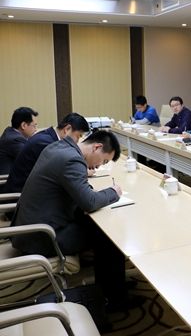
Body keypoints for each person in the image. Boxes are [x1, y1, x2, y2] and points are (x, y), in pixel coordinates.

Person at [11, 130, 129, 309]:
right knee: (107, 235)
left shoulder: (58, 147)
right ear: (97, 147)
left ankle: (112, 286)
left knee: (95, 226)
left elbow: (75, 189)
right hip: (42, 236)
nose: (99, 166)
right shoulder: (72, 160)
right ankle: (114, 298)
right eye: (104, 161)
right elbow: (89, 202)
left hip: (30, 226)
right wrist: (114, 192)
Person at [4, 113, 90, 194]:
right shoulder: (46, 143)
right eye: (78, 136)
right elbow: (60, 172)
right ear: (67, 129)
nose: (77, 141)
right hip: (21, 193)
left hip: (31, 188)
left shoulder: (48, 137)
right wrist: (84, 172)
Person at [0, 107, 38, 174]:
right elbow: (32, 160)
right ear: (23, 125)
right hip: (7, 179)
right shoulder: (14, 140)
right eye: (34, 126)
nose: (36, 129)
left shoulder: (10, 133)